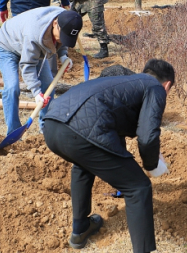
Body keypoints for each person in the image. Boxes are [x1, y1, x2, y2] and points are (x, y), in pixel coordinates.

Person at [43, 59, 175, 253]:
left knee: (84, 163)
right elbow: (147, 138)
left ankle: (80, 229)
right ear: (168, 85)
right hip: (80, 128)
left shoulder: (124, 84)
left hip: (53, 124)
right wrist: (152, 165)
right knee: (138, 187)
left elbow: (116, 134)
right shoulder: (156, 88)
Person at [0, 7, 82, 134]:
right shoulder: (34, 33)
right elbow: (27, 65)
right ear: (55, 24)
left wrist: (63, 55)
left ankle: (46, 128)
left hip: (33, 47)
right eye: (62, 36)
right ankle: (13, 131)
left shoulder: (67, 20)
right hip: (7, 45)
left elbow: (63, 40)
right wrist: (36, 93)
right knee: (12, 87)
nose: (62, 40)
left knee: (48, 86)